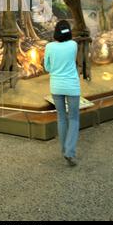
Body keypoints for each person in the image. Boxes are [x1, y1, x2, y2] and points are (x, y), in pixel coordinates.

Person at [44, 20, 80, 167]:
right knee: (74, 118)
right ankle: (69, 152)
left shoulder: (49, 47)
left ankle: (65, 150)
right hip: (72, 86)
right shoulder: (74, 45)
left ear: (55, 32)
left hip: (56, 86)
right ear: (69, 31)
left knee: (61, 117)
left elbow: (47, 67)